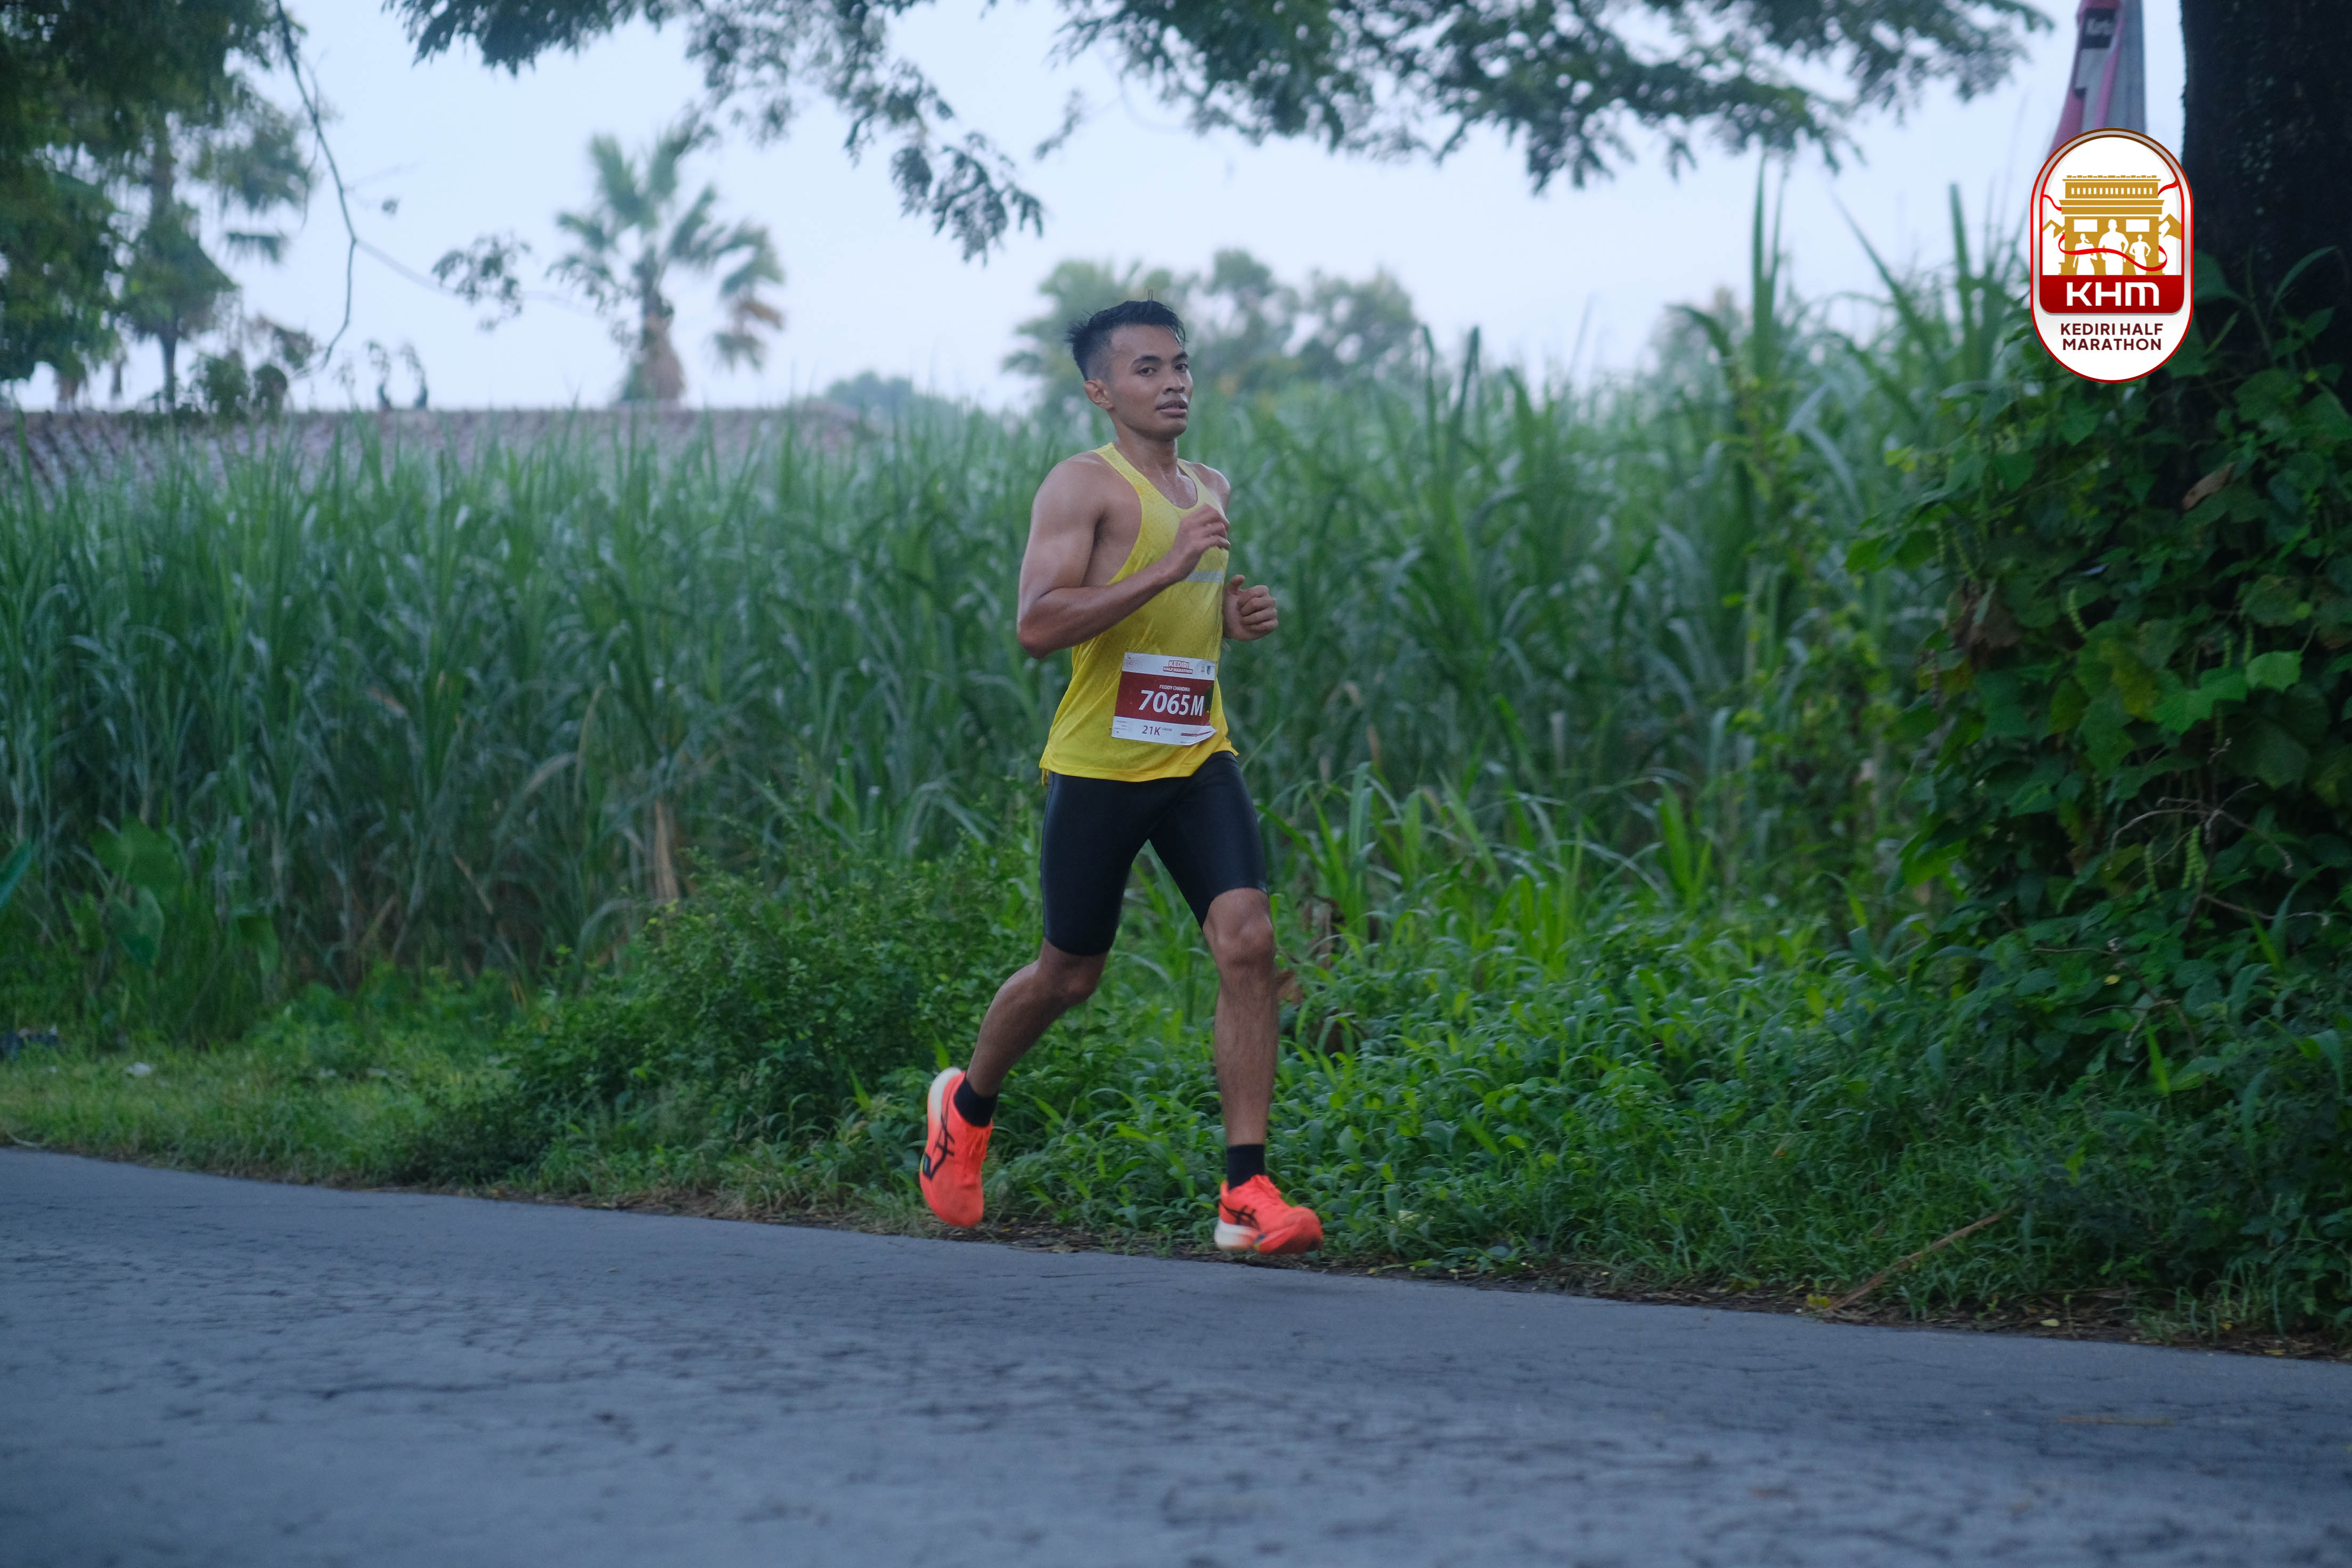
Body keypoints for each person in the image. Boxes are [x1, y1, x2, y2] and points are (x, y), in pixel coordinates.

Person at [917, 299, 1322, 1256]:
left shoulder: (1210, 485)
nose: (1173, 382)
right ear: (1101, 391)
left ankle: (1244, 1192)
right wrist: (1170, 566)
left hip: (1196, 755)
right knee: (1069, 974)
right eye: (1147, 369)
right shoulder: (1081, 487)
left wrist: (1230, 618)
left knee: (1249, 941)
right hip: (1099, 766)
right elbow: (1038, 625)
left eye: (1180, 364)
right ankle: (965, 1110)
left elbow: (1178, 619)